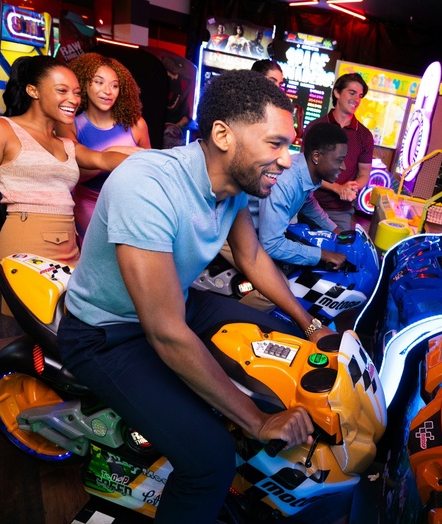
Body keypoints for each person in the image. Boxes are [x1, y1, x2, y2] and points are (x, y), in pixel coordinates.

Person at [57, 69, 332, 523]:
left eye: (290, 146)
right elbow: (165, 332)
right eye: (276, 144)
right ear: (223, 135)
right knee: (210, 462)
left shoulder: (233, 186)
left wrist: (311, 325)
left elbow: (252, 258)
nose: (287, 161)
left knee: (284, 339)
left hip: (178, 303)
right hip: (107, 333)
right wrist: (257, 420)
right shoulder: (146, 185)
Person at [0, 55, 130, 308]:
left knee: (74, 323)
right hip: (26, 241)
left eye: (76, 92)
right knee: (40, 324)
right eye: (62, 90)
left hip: (70, 244)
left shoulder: (66, 144)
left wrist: (159, 160)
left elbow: (104, 159)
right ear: (33, 91)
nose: (73, 99)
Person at [231, 122, 349, 312]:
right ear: (316, 156)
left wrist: (336, 231)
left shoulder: (306, 172)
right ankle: (227, 320)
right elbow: (271, 245)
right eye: (339, 160)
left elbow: (307, 202)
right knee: (277, 292)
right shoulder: (286, 182)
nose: (343, 167)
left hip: (256, 232)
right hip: (234, 231)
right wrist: (322, 254)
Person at [58, 53, 150, 246]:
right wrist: (109, 155)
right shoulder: (70, 124)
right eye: (99, 82)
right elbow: (71, 176)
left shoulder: (137, 125)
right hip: (88, 206)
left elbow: (149, 171)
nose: (108, 91)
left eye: (114, 86)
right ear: (84, 84)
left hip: (128, 205)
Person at [304, 72, 374, 231]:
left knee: (339, 246)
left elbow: (364, 174)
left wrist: (352, 187)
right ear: (337, 93)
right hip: (308, 204)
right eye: (352, 93)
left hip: (340, 211)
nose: (357, 99)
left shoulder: (364, 135)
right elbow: (305, 170)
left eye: (360, 96)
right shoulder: (316, 127)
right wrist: (336, 187)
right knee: (303, 245)